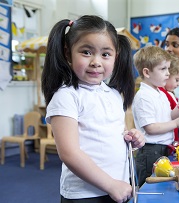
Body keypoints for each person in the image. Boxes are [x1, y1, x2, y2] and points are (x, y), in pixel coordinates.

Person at [41, 15, 145, 203]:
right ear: (67, 53)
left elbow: (109, 133)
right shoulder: (66, 96)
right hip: (85, 195)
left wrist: (130, 137)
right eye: (86, 52)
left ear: (116, 56)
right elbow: (69, 153)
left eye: (105, 54)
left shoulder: (112, 93)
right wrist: (110, 184)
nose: (96, 61)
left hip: (118, 187)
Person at [132, 46, 179, 187]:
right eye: (163, 69)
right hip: (150, 152)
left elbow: (170, 116)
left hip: (164, 148)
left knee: (162, 187)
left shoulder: (161, 93)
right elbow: (151, 128)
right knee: (150, 190)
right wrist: (176, 123)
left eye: (168, 68)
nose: (168, 74)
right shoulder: (143, 96)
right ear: (147, 72)